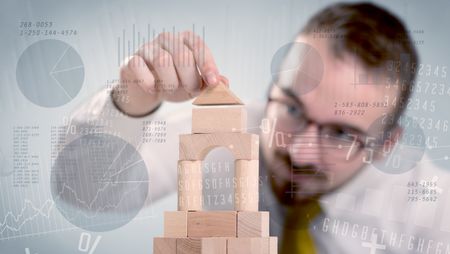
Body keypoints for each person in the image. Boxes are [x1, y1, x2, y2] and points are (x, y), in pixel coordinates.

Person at [62, 2, 450, 253]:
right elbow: (87, 194)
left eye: (340, 134)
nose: (298, 151)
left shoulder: (436, 217)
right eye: (292, 108)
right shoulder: (227, 134)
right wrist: (130, 101)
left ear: (386, 145)